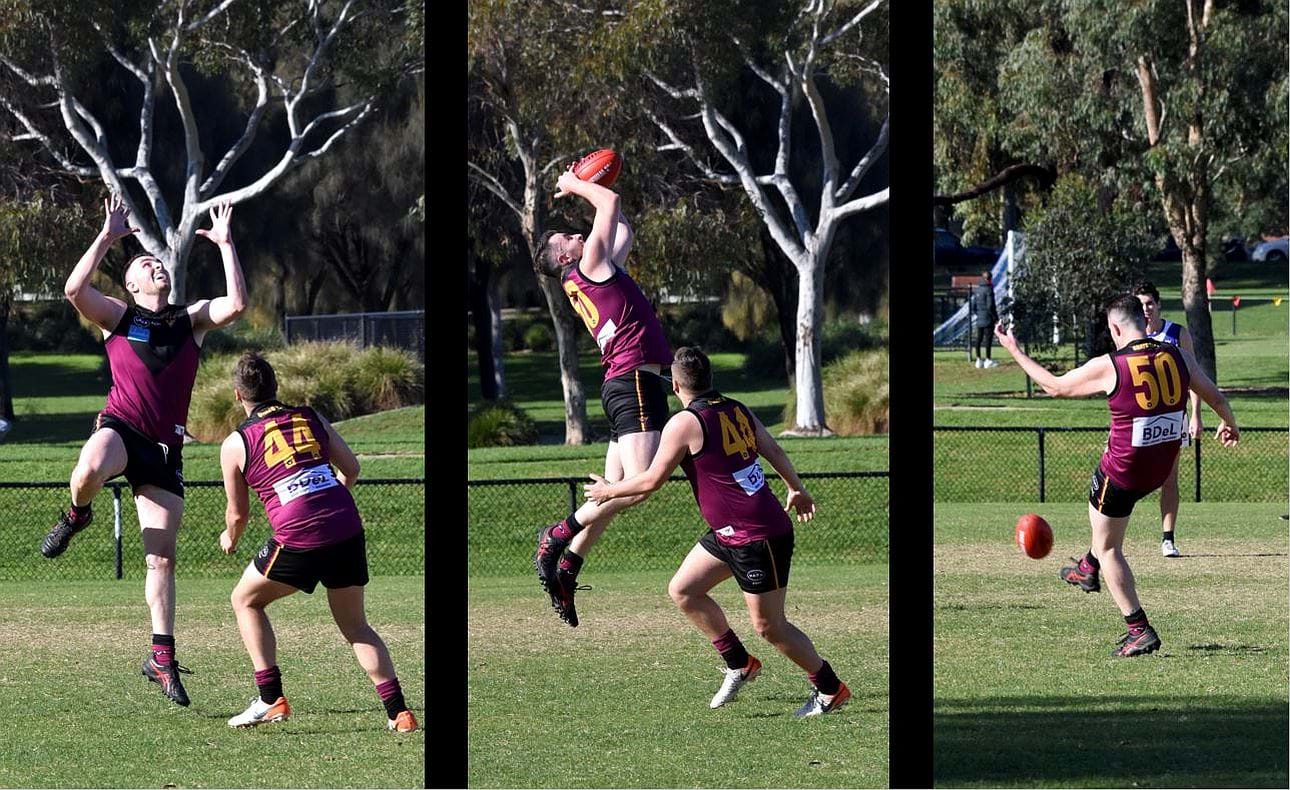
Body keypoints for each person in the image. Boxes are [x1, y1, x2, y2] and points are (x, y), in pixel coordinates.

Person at [43, 194, 246, 706]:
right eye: (143, 264)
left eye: (156, 262)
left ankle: (161, 655)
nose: (154, 264)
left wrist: (225, 246)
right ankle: (77, 513)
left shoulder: (190, 320)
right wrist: (109, 237)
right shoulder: (119, 317)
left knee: (161, 561)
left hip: (164, 451)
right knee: (88, 467)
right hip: (122, 428)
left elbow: (237, 305)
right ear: (132, 285)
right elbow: (73, 289)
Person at [585, 347, 850, 716]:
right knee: (684, 590)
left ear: (675, 385)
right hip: (728, 533)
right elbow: (772, 447)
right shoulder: (735, 407)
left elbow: (651, 481)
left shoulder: (685, 422)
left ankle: (830, 689)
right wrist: (795, 487)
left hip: (758, 536)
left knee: (770, 627)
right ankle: (740, 663)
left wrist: (607, 490)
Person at [994, 295, 1239, 657]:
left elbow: (1054, 386)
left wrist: (1013, 348)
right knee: (1103, 527)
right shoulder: (1178, 355)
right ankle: (1086, 568)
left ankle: (1137, 627)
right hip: (1160, 466)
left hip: (1124, 471)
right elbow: (1216, 397)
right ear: (1144, 318)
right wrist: (1229, 424)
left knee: (1109, 544)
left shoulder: (1112, 364)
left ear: (1114, 328)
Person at [218, 353, 418, 732]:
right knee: (357, 627)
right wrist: (329, 502)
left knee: (244, 600)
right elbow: (352, 468)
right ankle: (399, 713)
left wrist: (231, 537)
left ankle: (270, 698)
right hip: (346, 526)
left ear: (237, 394)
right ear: (276, 387)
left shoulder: (236, 442)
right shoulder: (310, 416)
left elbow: (238, 514)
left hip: (298, 535)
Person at [530, 163, 673, 627]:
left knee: (610, 497)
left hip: (626, 380)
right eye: (566, 239)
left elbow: (621, 224)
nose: (575, 236)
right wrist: (577, 186)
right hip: (633, 379)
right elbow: (607, 208)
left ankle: (567, 567)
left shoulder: (594, 269)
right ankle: (557, 536)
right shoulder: (589, 264)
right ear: (567, 258)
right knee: (639, 486)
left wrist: (601, 183)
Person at [1132, 280, 1202, 557]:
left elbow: (1194, 378)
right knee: (1127, 477)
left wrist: (1196, 414)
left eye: (1150, 303)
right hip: (1139, 419)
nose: (1146, 309)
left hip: (1173, 418)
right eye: (1140, 305)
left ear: (1158, 304)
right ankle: (1110, 536)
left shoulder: (1176, 334)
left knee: (1169, 478)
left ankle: (1168, 538)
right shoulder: (1131, 337)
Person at [970, 270, 999, 368]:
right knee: (988, 339)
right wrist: (995, 317)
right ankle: (988, 360)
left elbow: (973, 305)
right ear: (989, 278)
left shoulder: (977, 290)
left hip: (979, 318)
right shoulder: (989, 290)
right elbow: (990, 305)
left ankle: (978, 360)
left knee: (979, 338)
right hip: (988, 318)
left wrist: (978, 314)